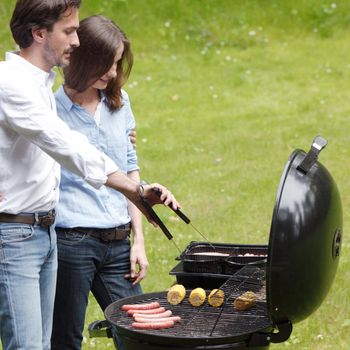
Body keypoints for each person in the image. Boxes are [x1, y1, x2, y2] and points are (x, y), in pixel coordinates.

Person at [0, 1, 179, 349]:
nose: (76, 41)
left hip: (44, 231)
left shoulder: (39, 85)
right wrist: (134, 189)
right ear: (39, 33)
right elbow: (67, 146)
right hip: (18, 235)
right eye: (69, 31)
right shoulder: (13, 86)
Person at [50, 15, 147, 350]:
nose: (112, 73)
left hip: (119, 241)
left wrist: (139, 241)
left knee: (142, 333)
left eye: (118, 63)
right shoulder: (50, 111)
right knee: (65, 338)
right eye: (107, 63)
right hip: (72, 242)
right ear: (84, 59)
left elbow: (130, 171)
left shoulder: (119, 102)